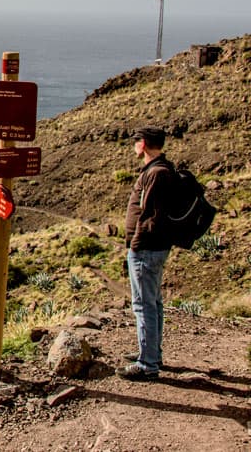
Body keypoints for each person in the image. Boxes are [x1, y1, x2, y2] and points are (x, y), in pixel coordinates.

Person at [118, 126, 175, 381]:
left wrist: (135, 244)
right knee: (153, 302)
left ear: (143, 144)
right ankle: (152, 353)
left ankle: (148, 364)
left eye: (136, 141)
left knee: (144, 305)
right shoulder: (160, 170)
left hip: (147, 249)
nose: (133, 146)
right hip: (155, 248)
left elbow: (150, 215)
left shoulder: (155, 174)